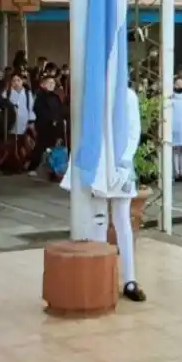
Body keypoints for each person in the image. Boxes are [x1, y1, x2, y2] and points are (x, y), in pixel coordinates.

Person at [61, 85, 146, 303]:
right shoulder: (94, 92)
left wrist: (123, 161)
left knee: (122, 220)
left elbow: (133, 130)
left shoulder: (127, 94)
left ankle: (129, 279)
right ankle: (101, 277)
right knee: (98, 220)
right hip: (99, 164)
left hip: (120, 165)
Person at [28, 75, 66, 176]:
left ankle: (53, 168)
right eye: (49, 83)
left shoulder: (55, 97)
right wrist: (50, 119)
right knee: (40, 146)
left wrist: (58, 121)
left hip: (56, 125)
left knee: (54, 147)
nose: (51, 85)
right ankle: (33, 166)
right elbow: (38, 110)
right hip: (44, 125)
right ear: (43, 84)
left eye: (53, 83)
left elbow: (60, 110)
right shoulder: (40, 96)